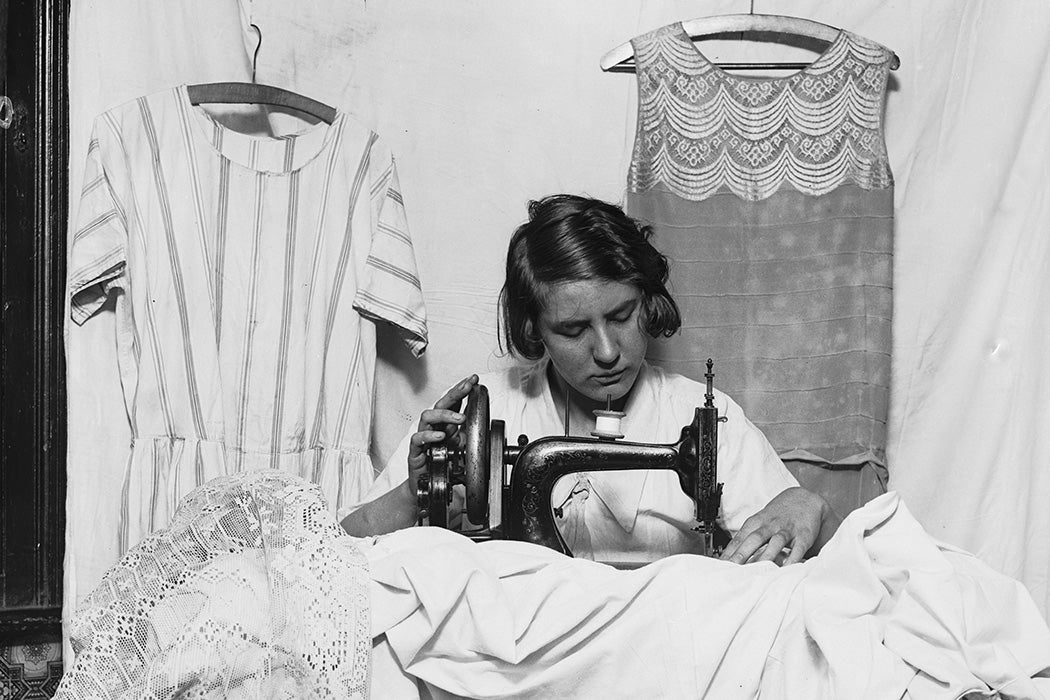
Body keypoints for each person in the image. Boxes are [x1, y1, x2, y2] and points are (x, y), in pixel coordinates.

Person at [343, 194, 840, 566]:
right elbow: (333, 552)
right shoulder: (490, 410)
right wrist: (416, 490)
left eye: (621, 316)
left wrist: (809, 504)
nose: (606, 352)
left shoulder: (709, 417)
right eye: (574, 330)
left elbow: (831, 561)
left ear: (647, 301)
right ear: (534, 328)